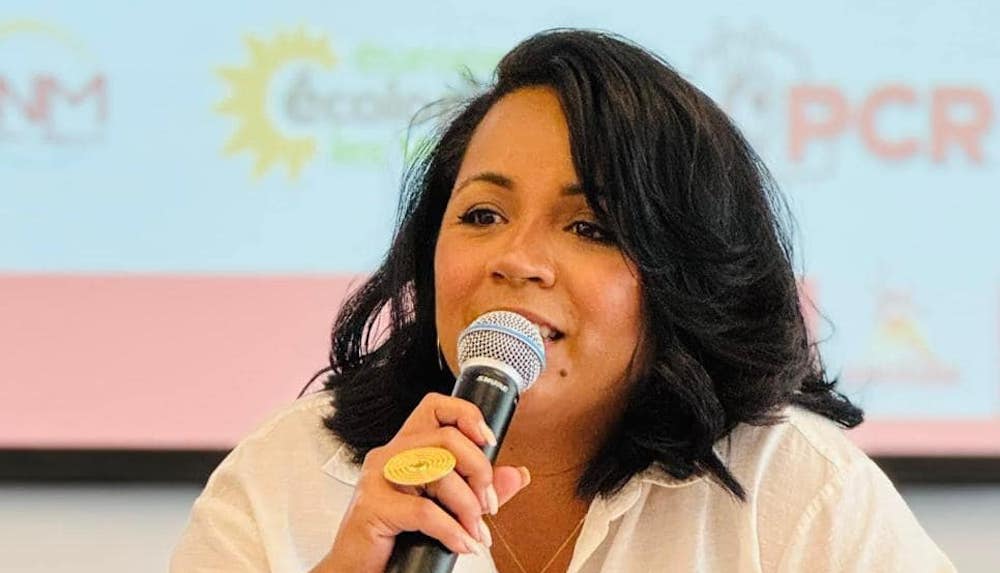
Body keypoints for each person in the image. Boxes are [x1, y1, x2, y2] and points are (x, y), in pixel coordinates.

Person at [171, 29, 956, 572]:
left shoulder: (796, 491)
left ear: (682, 274)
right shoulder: (284, 475)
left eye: (588, 226)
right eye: (483, 215)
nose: (516, 259)